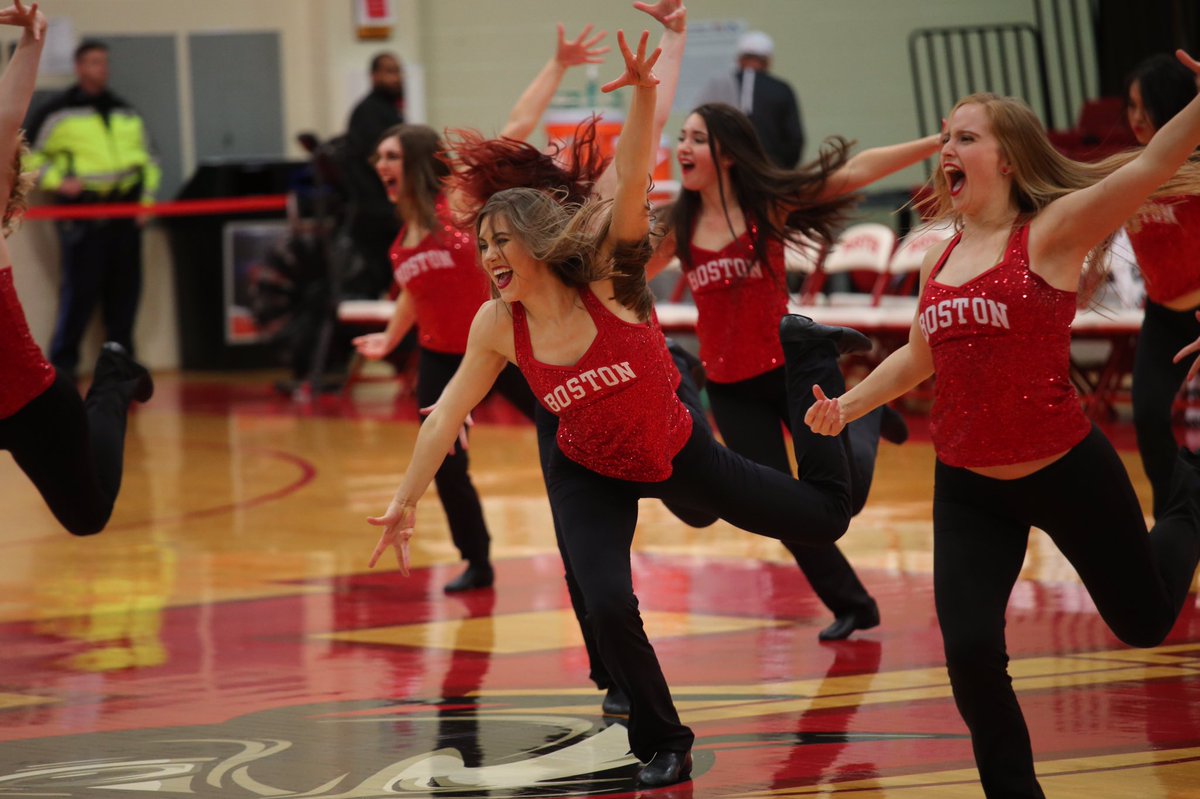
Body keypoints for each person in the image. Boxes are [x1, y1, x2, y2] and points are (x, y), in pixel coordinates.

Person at [367, 28, 878, 787]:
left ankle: (822, 371)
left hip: (676, 447)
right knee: (606, 602)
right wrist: (406, 498)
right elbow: (443, 413)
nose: (491, 257)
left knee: (828, 515)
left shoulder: (607, 279)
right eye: (484, 246)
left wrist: (642, 95)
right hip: (588, 469)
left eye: (503, 242)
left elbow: (636, 176)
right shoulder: (497, 323)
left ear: (538, 244)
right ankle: (664, 737)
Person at [805, 52, 1200, 798]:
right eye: (946, 136)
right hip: (967, 486)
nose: (947, 150)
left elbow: (1149, 166)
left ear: (1009, 158)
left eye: (966, 138)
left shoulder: (1050, 232)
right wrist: (849, 404)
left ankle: (1189, 503)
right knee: (973, 653)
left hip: (1063, 468)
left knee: (1146, 621)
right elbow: (920, 356)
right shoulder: (937, 259)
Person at [656, 102, 940, 641]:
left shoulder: (768, 203)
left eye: (696, 139)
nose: (683, 148)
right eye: (681, 138)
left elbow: (854, 172)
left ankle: (866, 420)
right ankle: (853, 605)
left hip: (792, 370)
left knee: (844, 500)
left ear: (728, 154)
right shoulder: (679, 224)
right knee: (786, 509)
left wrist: (933, 143)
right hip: (731, 387)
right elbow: (619, 277)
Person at [352, 23, 611, 594]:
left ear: (416, 160)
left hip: (507, 339)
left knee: (566, 426)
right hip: (445, 357)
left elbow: (515, 131)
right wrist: (390, 340)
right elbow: (415, 298)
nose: (380, 163)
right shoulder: (401, 241)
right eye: (377, 157)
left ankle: (596, 519)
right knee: (443, 460)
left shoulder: (458, 204)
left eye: (391, 154)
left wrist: (559, 65)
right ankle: (479, 560)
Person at [0, 2, 154, 537]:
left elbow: (7, 117)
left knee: (88, 518)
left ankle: (114, 378)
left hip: (31, 404)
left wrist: (32, 41)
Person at [25, 38, 160, 382]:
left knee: (125, 293)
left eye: (105, 62)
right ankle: (64, 370)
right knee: (79, 293)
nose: (103, 69)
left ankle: (122, 368)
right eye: (95, 62)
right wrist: (57, 180)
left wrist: (146, 203)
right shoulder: (58, 112)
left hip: (125, 211)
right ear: (80, 67)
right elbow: (25, 155)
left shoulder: (125, 111)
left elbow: (151, 159)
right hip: (84, 212)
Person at [1122, 53, 1200, 518]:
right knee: (1150, 420)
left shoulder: (1194, 167)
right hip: (1161, 317)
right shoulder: (1131, 173)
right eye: (1128, 106)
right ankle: (1173, 525)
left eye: (1142, 105)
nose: (1134, 117)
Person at [341, 52, 406, 299]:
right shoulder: (369, 112)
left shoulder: (389, 111)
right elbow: (376, 163)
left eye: (398, 71)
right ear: (374, 76)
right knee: (377, 279)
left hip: (385, 209)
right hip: (374, 212)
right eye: (389, 71)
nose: (396, 78)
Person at [696, 30, 804, 168]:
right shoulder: (782, 89)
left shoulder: (719, 86)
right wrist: (782, 171)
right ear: (768, 61)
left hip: (728, 170)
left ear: (739, 59)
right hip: (770, 172)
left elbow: (700, 125)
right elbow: (795, 139)